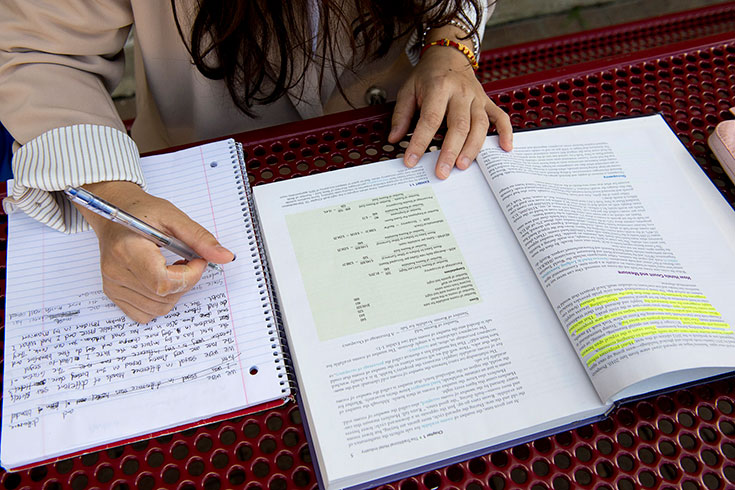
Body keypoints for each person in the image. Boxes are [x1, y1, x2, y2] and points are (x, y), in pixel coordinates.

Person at [0, 0, 513, 323]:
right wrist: (112, 200)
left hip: (392, 147)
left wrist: (450, 45)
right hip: (204, 180)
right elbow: (41, 51)